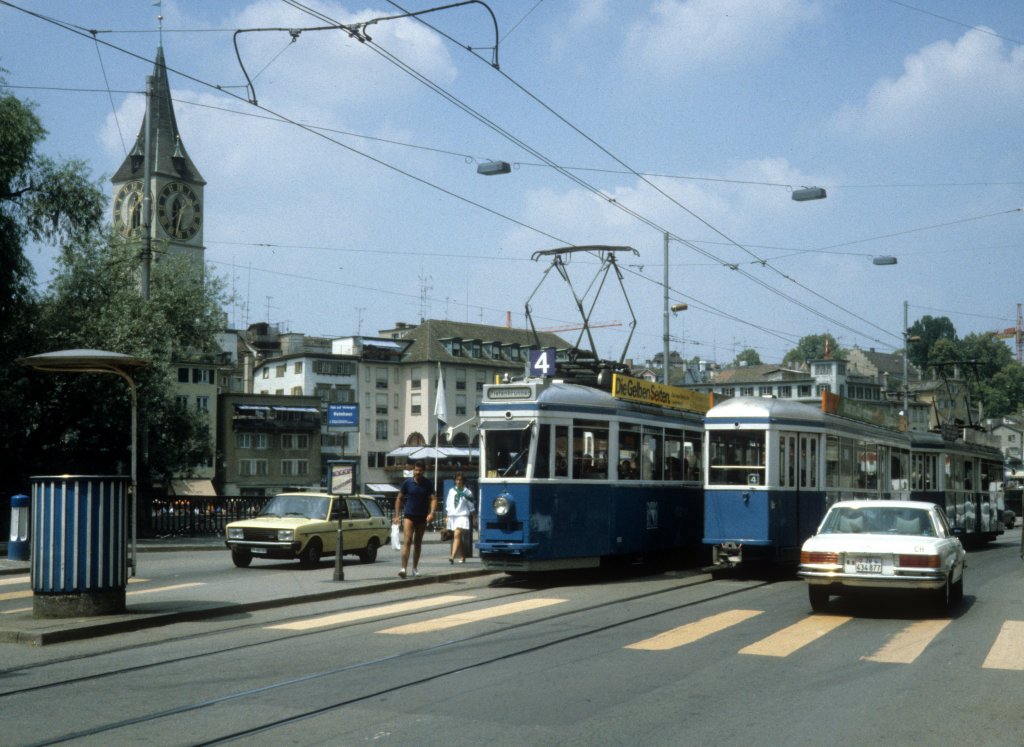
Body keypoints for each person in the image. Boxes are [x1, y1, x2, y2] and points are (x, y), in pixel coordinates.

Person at [394, 460, 436, 578]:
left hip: (422, 516)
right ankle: (403, 568)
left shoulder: (428, 483)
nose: (417, 472)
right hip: (409, 515)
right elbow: (399, 498)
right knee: (407, 541)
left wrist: (432, 513)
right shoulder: (407, 483)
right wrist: (396, 515)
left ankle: (414, 568)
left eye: (420, 470)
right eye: (416, 470)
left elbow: (433, 499)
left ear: (423, 471)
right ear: (413, 470)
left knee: (417, 543)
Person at [445, 472, 474, 564]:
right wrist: (447, 516)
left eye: (460, 480)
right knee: (458, 537)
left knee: (457, 534)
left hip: (462, 516)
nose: (458, 482)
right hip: (453, 516)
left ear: (463, 481)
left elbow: (471, 506)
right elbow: (448, 504)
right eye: (457, 480)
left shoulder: (467, 492)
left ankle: (452, 557)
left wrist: (474, 517)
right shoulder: (451, 491)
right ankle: (463, 556)